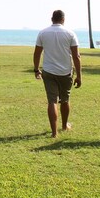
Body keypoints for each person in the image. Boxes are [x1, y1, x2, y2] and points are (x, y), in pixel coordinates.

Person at [33, 9, 82, 137]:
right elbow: (76, 56)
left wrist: (36, 69)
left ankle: (54, 132)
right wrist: (79, 76)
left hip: (48, 71)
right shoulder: (70, 34)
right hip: (65, 72)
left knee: (52, 101)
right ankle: (64, 126)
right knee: (65, 100)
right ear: (63, 19)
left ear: (52, 19)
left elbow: (37, 53)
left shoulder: (43, 33)